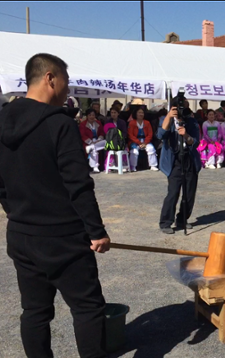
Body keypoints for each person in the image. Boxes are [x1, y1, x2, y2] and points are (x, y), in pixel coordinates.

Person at [0, 53, 110, 358]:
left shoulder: (2, 119)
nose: (68, 88)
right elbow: (78, 184)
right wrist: (97, 231)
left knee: (34, 311)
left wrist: (18, 214)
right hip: (63, 238)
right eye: (66, 80)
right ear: (50, 78)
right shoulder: (59, 124)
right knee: (88, 308)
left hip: (21, 234)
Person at [157, 99, 201, 234]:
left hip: (189, 159)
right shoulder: (166, 119)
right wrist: (170, 116)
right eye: (181, 107)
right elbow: (160, 135)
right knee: (173, 192)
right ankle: (165, 222)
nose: (184, 110)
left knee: (189, 193)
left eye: (186, 107)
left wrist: (186, 135)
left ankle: (182, 219)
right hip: (174, 160)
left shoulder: (191, 121)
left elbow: (196, 142)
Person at [79, 109, 106, 173]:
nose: (91, 117)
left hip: (98, 141)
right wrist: (91, 142)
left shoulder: (98, 123)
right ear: (87, 116)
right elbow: (82, 135)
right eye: (90, 115)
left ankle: (92, 147)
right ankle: (95, 166)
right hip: (88, 142)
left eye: (93, 115)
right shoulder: (83, 124)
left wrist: (99, 139)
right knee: (94, 149)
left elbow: (102, 133)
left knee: (105, 142)